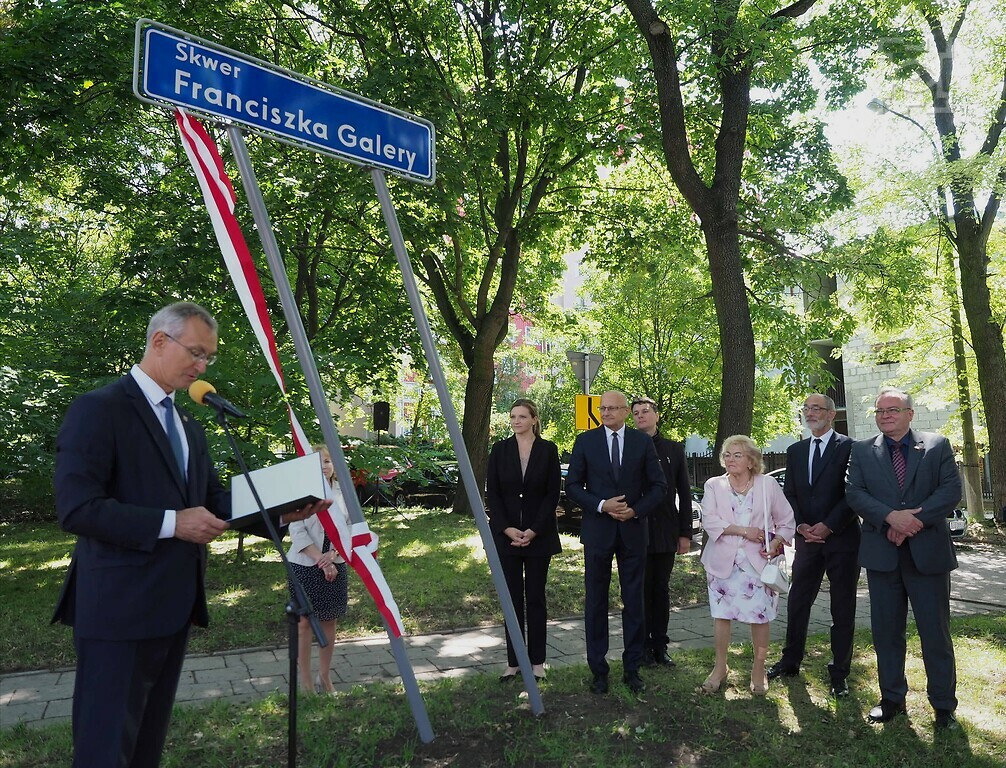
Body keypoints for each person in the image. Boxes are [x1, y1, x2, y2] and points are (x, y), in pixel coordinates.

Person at [51, 301, 329, 768]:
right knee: (105, 750)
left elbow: (219, 503)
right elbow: (78, 508)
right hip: (117, 611)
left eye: (208, 358)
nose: (202, 366)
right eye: (196, 353)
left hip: (174, 607)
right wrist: (171, 522)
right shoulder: (99, 409)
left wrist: (288, 509)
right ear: (160, 341)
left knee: (145, 747)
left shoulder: (189, 427)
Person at [846, 387, 961, 729]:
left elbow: (950, 491)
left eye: (892, 410)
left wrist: (914, 520)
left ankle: (943, 706)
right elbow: (854, 493)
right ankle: (892, 699)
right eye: (880, 411)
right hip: (883, 557)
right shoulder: (862, 451)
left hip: (928, 556)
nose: (885, 416)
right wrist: (891, 518)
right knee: (886, 633)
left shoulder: (936, 445)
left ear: (910, 413)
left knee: (935, 633)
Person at [565, 390, 667, 695]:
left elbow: (659, 486)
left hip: (633, 531)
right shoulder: (586, 441)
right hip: (598, 532)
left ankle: (632, 667)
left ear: (625, 411)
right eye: (602, 408)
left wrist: (635, 510)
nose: (606, 412)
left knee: (633, 600)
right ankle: (598, 669)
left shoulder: (641, 442)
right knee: (595, 600)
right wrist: (601, 505)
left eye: (612, 408)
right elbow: (572, 485)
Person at [767, 394, 860, 698]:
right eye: (806, 409)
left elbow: (853, 493)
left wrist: (829, 525)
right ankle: (790, 660)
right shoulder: (795, 451)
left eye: (816, 408)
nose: (810, 413)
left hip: (842, 540)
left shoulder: (850, 448)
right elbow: (790, 494)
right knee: (798, 601)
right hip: (806, 540)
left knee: (842, 607)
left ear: (831, 414)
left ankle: (839, 672)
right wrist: (801, 525)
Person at [699, 435, 795, 695]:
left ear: (752, 460)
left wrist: (774, 544)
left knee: (760, 618)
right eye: (727, 455)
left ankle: (759, 668)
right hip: (722, 563)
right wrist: (745, 531)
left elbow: (786, 521)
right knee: (721, 617)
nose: (730, 459)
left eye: (737, 455)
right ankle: (720, 667)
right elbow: (710, 521)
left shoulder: (767, 485)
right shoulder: (714, 485)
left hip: (758, 565)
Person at [485, 399, 562, 682]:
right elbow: (492, 492)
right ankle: (514, 662)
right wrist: (506, 529)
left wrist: (534, 530)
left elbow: (552, 494)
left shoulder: (548, 450)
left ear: (533, 419)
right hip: (506, 538)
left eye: (521, 416)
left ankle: (538, 662)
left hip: (538, 538)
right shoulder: (500, 450)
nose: (516, 421)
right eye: (512, 417)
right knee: (512, 600)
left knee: (536, 598)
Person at [629, 397, 693, 668]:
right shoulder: (628, 447)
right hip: (636, 529)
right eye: (636, 413)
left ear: (657, 415)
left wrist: (685, 533)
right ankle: (641, 646)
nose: (641, 416)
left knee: (661, 589)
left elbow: (685, 493)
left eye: (645, 411)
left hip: (666, 529)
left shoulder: (673, 449)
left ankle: (660, 646)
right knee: (640, 590)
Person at [287, 445, 352, 693]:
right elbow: (297, 531)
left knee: (329, 621)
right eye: (318, 462)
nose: (324, 466)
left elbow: (347, 527)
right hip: (304, 564)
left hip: (336, 560)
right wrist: (320, 560)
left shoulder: (342, 492)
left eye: (327, 461)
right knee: (304, 623)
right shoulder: (300, 493)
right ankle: (304, 682)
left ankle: (324, 677)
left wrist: (332, 555)